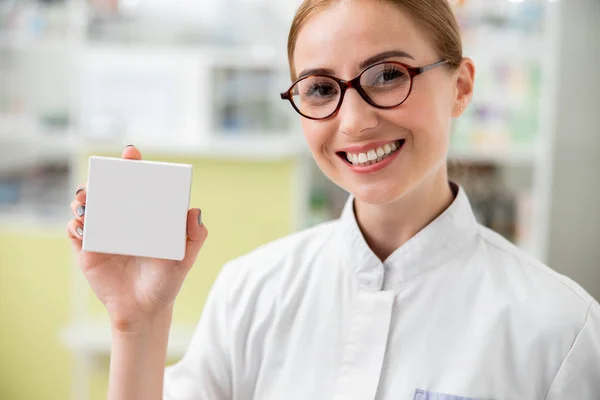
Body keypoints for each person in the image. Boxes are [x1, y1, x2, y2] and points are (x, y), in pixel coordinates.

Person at [66, 0, 600, 399]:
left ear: (460, 86)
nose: (355, 122)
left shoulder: (560, 328)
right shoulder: (251, 291)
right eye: (320, 89)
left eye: (389, 75)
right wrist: (137, 322)